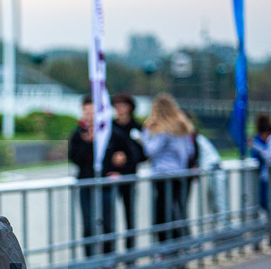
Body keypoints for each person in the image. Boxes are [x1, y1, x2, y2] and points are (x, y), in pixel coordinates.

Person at [68, 94, 135, 259]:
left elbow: (133, 155)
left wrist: (120, 168)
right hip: (86, 183)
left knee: (107, 224)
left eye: (92, 111)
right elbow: (74, 159)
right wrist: (87, 142)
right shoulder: (78, 134)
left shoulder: (113, 133)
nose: (88, 115)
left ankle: (108, 258)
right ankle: (90, 260)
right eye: (85, 111)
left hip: (106, 184)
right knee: (88, 225)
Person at [142, 93, 195, 245]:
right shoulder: (183, 128)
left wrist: (145, 133)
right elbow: (190, 151)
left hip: (163, 174)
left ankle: (166, 248)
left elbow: (151, 150)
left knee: (163, 213)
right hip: (180, 173)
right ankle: (181, 246)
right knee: (177, 211)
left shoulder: (163, 129)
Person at [111, 93, 148, 257]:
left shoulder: (138, 128)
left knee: (130, 215)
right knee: (108, 217)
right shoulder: (110, 127)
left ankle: (130, 252)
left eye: (123, 105)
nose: (120, 109)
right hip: (112, 176)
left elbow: (145, 152)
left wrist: (128, 158)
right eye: (117, 106)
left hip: (130, 176)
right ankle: (110, 253)